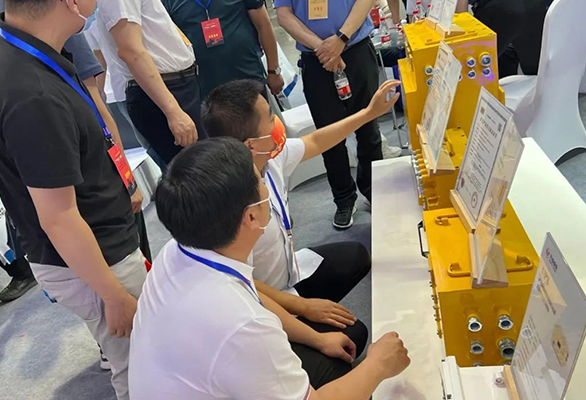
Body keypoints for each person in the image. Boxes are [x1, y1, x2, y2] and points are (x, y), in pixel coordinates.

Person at [129, 137, 411, 399]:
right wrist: (378, 365)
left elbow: (253, 294)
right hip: (224, 357)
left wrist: (317, 339)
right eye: (260, 180)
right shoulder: (242, 324)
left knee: (347, 339)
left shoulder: (180, 249)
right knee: (350, 373)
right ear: (251, 216)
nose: (266, 185)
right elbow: (248, 321)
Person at [0, 1, 148, 398]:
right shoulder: (31, 93)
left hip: (97, 242)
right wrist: (113, 295)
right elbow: (58, 217)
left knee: (141, 356)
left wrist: (122, 182)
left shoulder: (23, 46)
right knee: (141, 366)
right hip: (96, 258)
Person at [202, 79, 399, 347]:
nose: (277, 122)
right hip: (261, 302)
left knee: (356, 256)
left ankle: (307, 318)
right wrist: (305, 309)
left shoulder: (268, 157)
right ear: (250, 144)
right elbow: (240, 280)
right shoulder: (227, 205)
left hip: (288, 276)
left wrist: (368, 113)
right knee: (353, 336)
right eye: (270, 118)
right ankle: (292, 339)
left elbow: (315, 141)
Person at [276, 0, 401, 229]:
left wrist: (341, 39)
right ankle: (344, 199)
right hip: (317, 59)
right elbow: (284, 15)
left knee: (368, 128)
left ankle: (373, 189)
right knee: (329, 136)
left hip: (356, 49)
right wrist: (323, 48)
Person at [95, 0, 204, 169]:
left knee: (202, 166)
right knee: (197, 171)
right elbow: (130, 51)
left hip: (175, 86)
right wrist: (173, 112)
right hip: (163, 91)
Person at [161, 0, 284, 98]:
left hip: (249, 77)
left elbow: (264, 25)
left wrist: (274, 70)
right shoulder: (168, 2)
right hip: (205, 91)